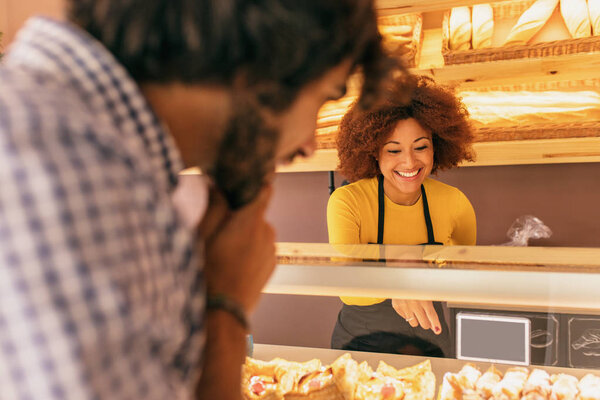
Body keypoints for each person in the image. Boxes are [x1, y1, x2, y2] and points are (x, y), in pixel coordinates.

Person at [0, 1, 406, 399]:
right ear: (264, 58)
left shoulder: (72, 137)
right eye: (323, 97)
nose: (308, 143)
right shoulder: (67, 170)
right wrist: (225, 302)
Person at [327, 75, 476, 358]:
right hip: (360, 346)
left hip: (431, 343)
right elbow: (346, 287)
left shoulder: (455, 203)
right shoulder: (348, 201)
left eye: (421, 147)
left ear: (437, 146)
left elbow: (463, 274)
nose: (409, 162)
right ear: (374, 153)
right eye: (393, 150)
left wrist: (417, 265)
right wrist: (398, 280)